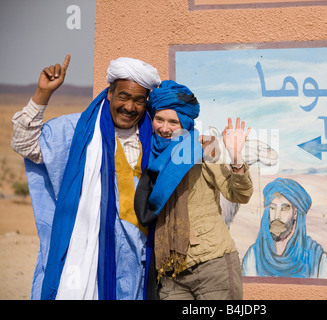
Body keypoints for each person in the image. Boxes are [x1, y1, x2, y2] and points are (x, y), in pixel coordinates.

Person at [11, 55, 161, 300]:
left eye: (138, 100)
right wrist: (42, 94)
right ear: (110, 93)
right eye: (123, 96)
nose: (130, 107)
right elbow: (23, 143)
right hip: (78, 259)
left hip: (132, 268)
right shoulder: (75, 131)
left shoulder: (153, 140)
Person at [135, 80, 253, 300]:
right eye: (159, 119)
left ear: (186, 122)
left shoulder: (202, 147)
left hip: (212, 264)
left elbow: (239, 194)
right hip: (170, 271)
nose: (165, 128)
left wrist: (236, 157)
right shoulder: (147, 154)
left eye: (173, 122)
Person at [241, 178, 327, 279]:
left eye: (284, 209)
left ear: (295, 213)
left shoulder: (318, 259)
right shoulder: (254, 256)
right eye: (273, 208)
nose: (277, 216)